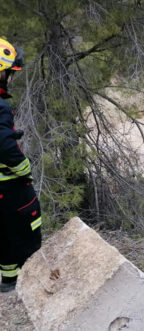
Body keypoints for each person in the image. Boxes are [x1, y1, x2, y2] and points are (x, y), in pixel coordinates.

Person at [0, 39, 42, 292]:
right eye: (11, 72)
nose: (13, 77)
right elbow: (3, 145)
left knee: (2, 235)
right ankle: (30, 282)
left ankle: (9, 281)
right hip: (9, 188)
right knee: (26, 229)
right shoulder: (0, 107)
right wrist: (23, 167)